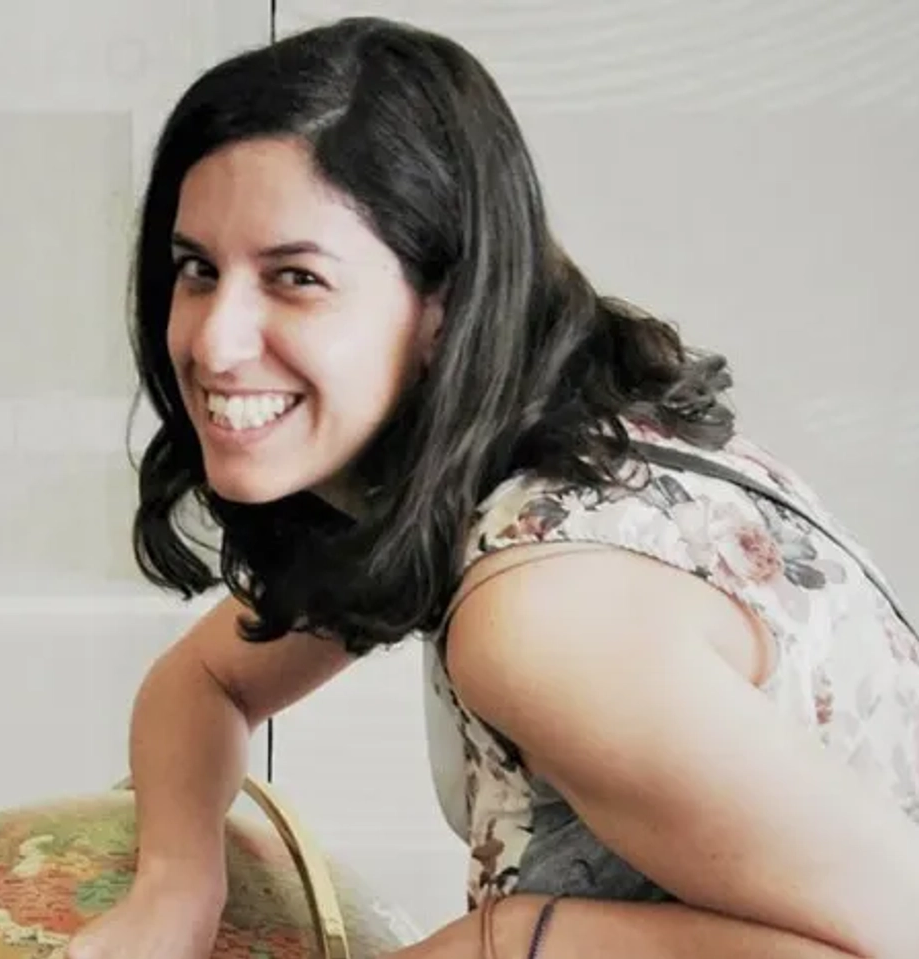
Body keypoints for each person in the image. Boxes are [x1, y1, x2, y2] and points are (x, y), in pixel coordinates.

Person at [67, 16, 919, 959]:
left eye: (295, 278)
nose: (214, 341)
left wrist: (504, 936)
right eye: (198, 269)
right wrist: (177, 887)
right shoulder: (475, 464)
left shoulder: (542, 615)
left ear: (442, 306)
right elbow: (207, 680)